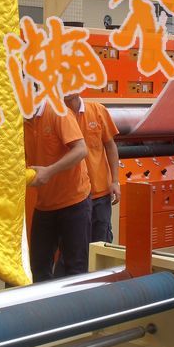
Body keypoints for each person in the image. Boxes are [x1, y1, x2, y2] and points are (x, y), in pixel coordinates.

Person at [24, 104, 91, 281]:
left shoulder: (57, 112)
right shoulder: (21, 122)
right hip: (45, 205)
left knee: (75, 269)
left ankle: (75, 300)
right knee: (38, 267)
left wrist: (49, 171)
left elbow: (81, 149)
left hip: (74, 202)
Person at [65, 94, 121, 244]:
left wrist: (115, 181)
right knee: (74, 244)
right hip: (71, 196)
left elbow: (110, 146)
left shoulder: (98, 110)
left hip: (99, 193)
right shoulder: (57, 115)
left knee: (101, 243)